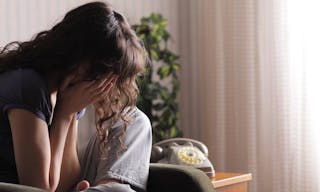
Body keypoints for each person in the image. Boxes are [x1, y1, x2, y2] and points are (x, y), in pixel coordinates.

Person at [0, 1, 152, 192]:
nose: (108, 85)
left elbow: (67, 182)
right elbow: (39, 188)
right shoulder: (28, 85)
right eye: (106, 73)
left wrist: (71, 113)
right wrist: (64, 114)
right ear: (81, 57)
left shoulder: (68, 89)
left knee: (134, 119)